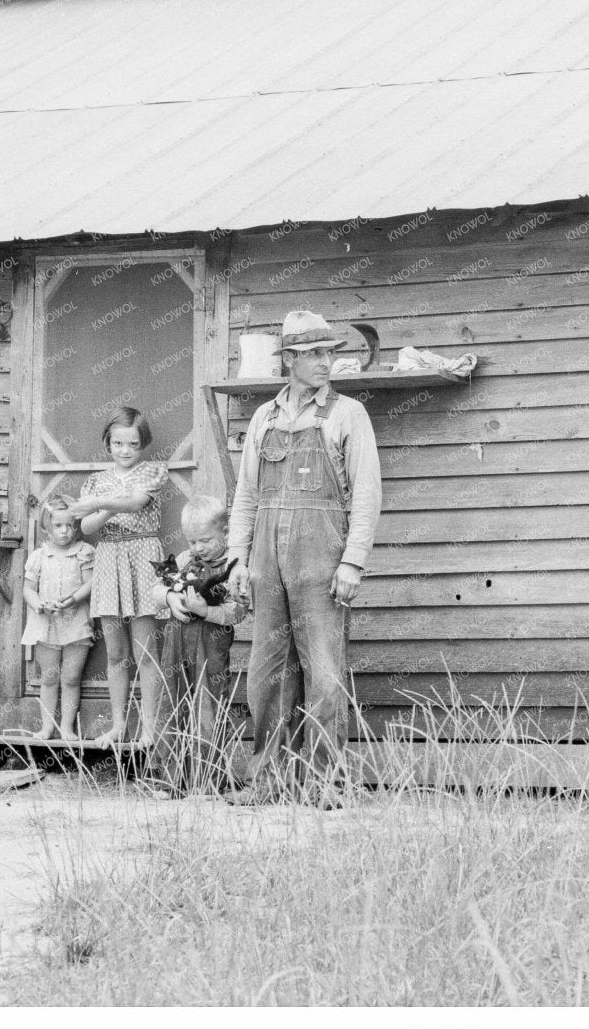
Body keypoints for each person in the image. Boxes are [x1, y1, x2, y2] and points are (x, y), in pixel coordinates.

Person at [226, 309, 383, 807]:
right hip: (267, 562)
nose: (325, 363)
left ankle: (324, 783)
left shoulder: (346, 413)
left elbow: (366, 495)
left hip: (322, 558)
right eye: (314, 354)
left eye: (328, 353)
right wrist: (236, 557)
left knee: (324, 671)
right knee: (266, 670)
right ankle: (268, 779)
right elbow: (247, 496)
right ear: (289, 360)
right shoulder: (264, 417)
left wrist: (353, 561)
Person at [70, 407, 169, 747]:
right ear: (107, 443)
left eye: (133, 444)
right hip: (110, 558)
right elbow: (85, 526)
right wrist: (106, 506)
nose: (125, 450)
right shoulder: (97, 480)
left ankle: (150, 729)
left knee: (146, 652)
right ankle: (117, 726)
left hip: (143, 557)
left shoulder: (153, 472)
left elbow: (137, 503)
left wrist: (101, 505)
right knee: (115, 652)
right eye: (118, 443)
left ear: (143, 445)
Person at [147, 496, 244, 794]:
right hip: (176, 647)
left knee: (208, 710)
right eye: (192, 541)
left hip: (210, 649)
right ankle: (168, 780)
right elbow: (155, 590)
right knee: (171, 704)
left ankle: (207, 781)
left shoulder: (234, 567)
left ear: (225, 533)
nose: (198, 548)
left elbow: (237, 612)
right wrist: (170, 599)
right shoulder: (186, 562)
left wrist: (205, 611)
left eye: (205, 540)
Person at [20, 498, 95, 740]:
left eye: (70, 525)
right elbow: (28, 589)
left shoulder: (83, 552)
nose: (64, 531)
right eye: (58, 526)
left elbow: (90, 584)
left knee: (71, 678)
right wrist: (38, 604)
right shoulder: (39, 556)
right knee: (49, 677)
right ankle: (47, 727)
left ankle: (67, 727)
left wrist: (72, 599)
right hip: (47, 624)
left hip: (75, 623)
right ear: (46, 527)